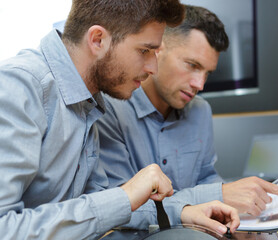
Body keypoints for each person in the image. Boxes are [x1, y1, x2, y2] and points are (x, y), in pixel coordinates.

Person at [0, 1, 240, 239]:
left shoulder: (88, 100)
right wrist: (126, 195)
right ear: (98, 40)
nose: (152, 67)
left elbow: (103, 203)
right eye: (145, 51)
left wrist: (182, 212)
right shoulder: (18, 88)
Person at [97, 4, 278, 224]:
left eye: (207, 73)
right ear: (157, 49)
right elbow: (121, 208)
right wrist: (220, 194)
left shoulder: (200, 111)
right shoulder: (110, 109)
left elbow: (205, 177)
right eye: (192, 65)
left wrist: (231, 209)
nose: (200, 84)